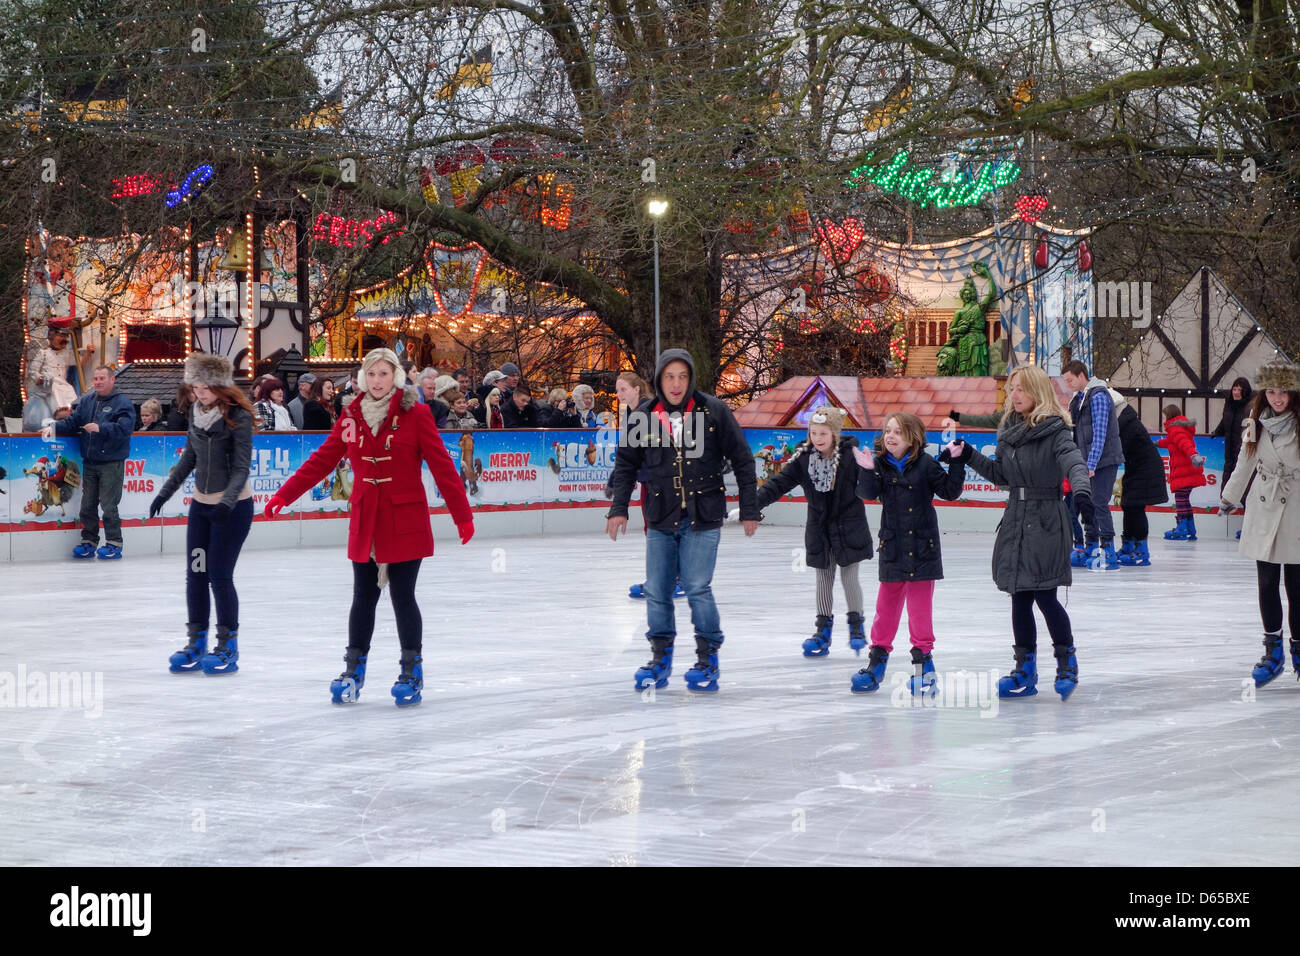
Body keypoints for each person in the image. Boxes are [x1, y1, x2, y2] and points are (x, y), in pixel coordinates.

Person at [264, 348, 475, 706]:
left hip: (405, 519)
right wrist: (284, 495)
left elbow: (442, 466)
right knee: (363, 596)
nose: (378, 381)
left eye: (384, 373)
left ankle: (411, 670)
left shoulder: (417, 414)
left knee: (402, 596)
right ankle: (353, 669)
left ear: (395, 376)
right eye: (372, 374)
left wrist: (462, 515)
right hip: (367, 520)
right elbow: (322, 461)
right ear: (364, 378)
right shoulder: (351, 415)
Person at [606, 348, 760, 693]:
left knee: (696, 587)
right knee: (658, 591)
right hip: (661, 516)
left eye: (683, 377)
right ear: (659, 380)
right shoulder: (643, 416)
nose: (676, 384)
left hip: (702, 516)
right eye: (669, 377)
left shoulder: (713, 411)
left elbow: (743, 460)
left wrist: (750, 509)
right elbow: (626, 465)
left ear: (691, 379)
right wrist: (618, 508)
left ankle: (708, 657)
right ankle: (660, 658)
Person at [943, 365, 1091, 701]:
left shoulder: (1056, 431)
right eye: (1013, 389)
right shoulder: (1008, 430)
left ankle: (1066, 661)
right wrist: (968, 454)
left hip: (1047, 520)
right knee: (1019, 596)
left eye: (1022, 389)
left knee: (1045, 596)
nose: (1015, 395)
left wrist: (1081, 491)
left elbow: (1074, 462)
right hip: (1015, 518)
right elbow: (1000, 476)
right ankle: (1025, 668)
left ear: (1037, 391)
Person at [149, 354, 256, 675]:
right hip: (201, 507)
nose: (201, 392)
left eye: (207, 386)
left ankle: (227, 646)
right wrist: (164, 493)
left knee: (220, 576)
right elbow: (188, 459)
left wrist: (227, 502)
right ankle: (197, 641)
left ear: (220, 384)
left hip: (233, 509)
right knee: (196, 574)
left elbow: (241, 468)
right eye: (196, 386)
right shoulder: (195, 414)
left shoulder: (238, 417)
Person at [750, 406, 878, 661]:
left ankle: (856, 626)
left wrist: (868, 471)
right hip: (819, 528)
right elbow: (778, 484)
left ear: (835, 434)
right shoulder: (803, 458)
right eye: (813, 432)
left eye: (823, 433)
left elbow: (869, 489)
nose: (818, 438)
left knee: (849, 576)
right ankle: (822, 631)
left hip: (848, 527)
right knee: (824, 578)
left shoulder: (851, 457)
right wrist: (751, 506)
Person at [852, 411, 966, 694]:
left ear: (912, 438)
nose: (890, 436)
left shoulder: (926, 464)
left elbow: (950, 492)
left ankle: (923, 668)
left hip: (922, 550)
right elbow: (868, 493)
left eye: (897, 432)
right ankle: (876, 662)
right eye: (887, 430)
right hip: (892, 547)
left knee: (919, 613)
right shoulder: (879, 464)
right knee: (885, 611)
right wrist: (866, 469)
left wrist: (956, 463)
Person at [1218, 359, 1300, 687]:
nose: (1277, 398)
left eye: (1283, 391)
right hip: (1264, 507)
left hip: (1295, 507)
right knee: (1266, 583)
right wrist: (1229, 496)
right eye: (1271, 391)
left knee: (1296, 588)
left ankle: (1298, 650)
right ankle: (1272, 651)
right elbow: (1245, 461)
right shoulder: (1255, 422)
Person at [45, 365, 135, 559]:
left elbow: (125, 429)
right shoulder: (87, 401)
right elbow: (72, 422)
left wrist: (100, 428)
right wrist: (52, 428)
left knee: (109, 505)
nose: (98, 382)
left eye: (102, 378)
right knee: (87, 505)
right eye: (95, 378)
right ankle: (89, 541)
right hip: (91, 462)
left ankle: (114, 543)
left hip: (111, 462)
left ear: (112, 380)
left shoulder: (122, 403)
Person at [1061, 360, 1125, 570]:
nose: (1068, 384)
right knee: (1087, 503)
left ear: (1081, 376)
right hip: (1087, 461)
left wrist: (1091, 464)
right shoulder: (1079, 399)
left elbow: (1099, 433)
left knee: (1098, 503)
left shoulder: (1097, 396)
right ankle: (1091, 548)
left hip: (1103, 461)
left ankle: (1107, 551)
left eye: (1070, 380)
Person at [1107, 388, 1168, 566]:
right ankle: (1128, 545)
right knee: (1128, 505)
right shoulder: (1123, 421)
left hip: (1145, 469)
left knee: (1135, 506)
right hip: (1137, 467)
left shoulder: (1127, 423)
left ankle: (1141, 550)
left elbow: (1120, 449)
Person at [1158, 404, 1206, 540]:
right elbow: (1171, 441)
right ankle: (1191, 529)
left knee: (1180, 500)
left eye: (1164, 416)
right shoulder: (1179, 428)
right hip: (1186, 472)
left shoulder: (1174, 428)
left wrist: (1193, 455)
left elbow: (1185, 443)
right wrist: (1158, 444)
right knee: (1184, 500)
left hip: (1183, 472)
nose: (1163, 420)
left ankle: (1182, 529)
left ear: (1170, 416)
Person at [1215, 377, 1253, 486]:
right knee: (1228, 471)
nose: (1236, 392)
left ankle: (1244, 501)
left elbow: (1252, 427)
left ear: (1245, 391)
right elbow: (1225, 420)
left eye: (1239, 390)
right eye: (1234, 389)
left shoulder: (1250, 406)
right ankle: (1225, 500)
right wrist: (1217, 431)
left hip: (1243, 446)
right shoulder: (1229, 404)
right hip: (1230, 445)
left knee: (1242, 473)